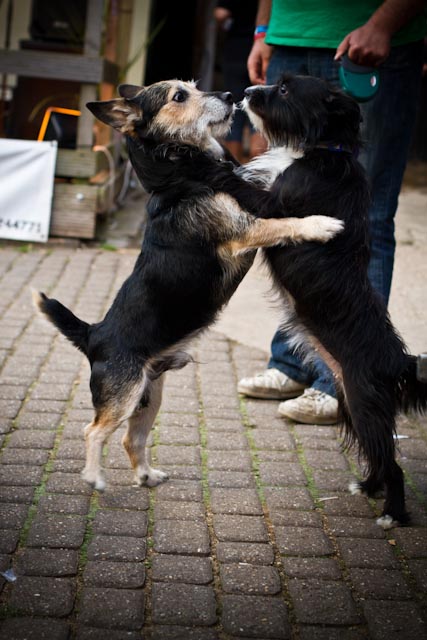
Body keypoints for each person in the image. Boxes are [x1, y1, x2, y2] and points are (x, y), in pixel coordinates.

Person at [238, 0, 426, 424]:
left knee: (367, 216)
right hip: (289, 37)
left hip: (370, 43)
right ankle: (293, 363)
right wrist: (263, 30)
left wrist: (383, 24)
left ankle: (342, 381)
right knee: (292, 205)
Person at [214, 0, 266, 161]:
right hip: (263, 49)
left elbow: (220, 14)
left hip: (236, 49)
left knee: (233, 113)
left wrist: (224, 26)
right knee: (259, 112)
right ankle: (256, 176)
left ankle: (234, 173)